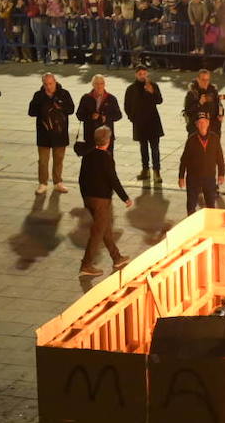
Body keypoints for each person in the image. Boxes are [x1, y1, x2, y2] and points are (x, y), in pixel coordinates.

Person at [75, 126, 132, 276]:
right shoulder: (106, 158)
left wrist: (85, 196)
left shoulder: (88, 155)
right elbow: (113, 180)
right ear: (108, 140)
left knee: (105, 228)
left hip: (89, 198)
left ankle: (116, 257)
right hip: (101, 200)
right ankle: (86, 265)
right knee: (98, 232)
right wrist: (125, 198)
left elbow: (81, 178)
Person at [28, 72, 74, 194]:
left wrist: (60, 106)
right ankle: (43, 183)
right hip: (44, 133)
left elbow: (71, 109)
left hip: (60, 133)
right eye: (46, 84)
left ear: (55, 82)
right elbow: (31, 112)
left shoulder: (64, 94)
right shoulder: (38, 95)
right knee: (43, 161)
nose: (48, 86)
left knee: (58, 159)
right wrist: (40, 105)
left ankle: (58, 182)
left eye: (50, 83)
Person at [123, 65, 165, 183]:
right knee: (143, 148)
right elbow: (127, 106)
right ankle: (145, 170)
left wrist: (152, 92)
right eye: (140, 74)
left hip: (153, 123)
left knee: (155, 148)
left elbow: (159, 100)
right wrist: (133, 118)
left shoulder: (153, 86)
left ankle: (157, 172)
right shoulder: (131, 89)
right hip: (140, 123)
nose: (142, 76)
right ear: (136, 75)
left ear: (147, 74)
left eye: (144, 74)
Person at [178, 114, 225, 215]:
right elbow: (184, 160)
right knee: (191, 205)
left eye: (204, 122)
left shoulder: (214, 138)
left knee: (210, 205)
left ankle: (210, 224)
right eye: (199, 122)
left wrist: (221, 174)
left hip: (209, 178)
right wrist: (181, 177)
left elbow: (220, 158)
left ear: (208, 123)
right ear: (196, 125)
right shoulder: (191, 139)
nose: (202, 124)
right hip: (193, 178)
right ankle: (191, 225)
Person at [77, 74, 122, 147]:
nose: (99, 86)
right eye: (96, 83)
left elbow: (118, 115)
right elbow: (79, 115)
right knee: (91, 157)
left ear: (104, 84)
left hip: (106, 135)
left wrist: (106, 117)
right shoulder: (86, 98)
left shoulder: (111, 98)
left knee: (107, 157)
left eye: (101, 83)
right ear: (92, 84)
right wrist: (91, 116)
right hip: (90, 134)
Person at [182, 68, 224, 135]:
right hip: (196, 129)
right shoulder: (192, 93)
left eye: (207, 80)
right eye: (203, 80)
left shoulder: (213, 91)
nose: (205, 82)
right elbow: (188, 111)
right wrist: (199, 103)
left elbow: (220, 105)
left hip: (213, 128)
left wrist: (221, 115)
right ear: (198, 79)